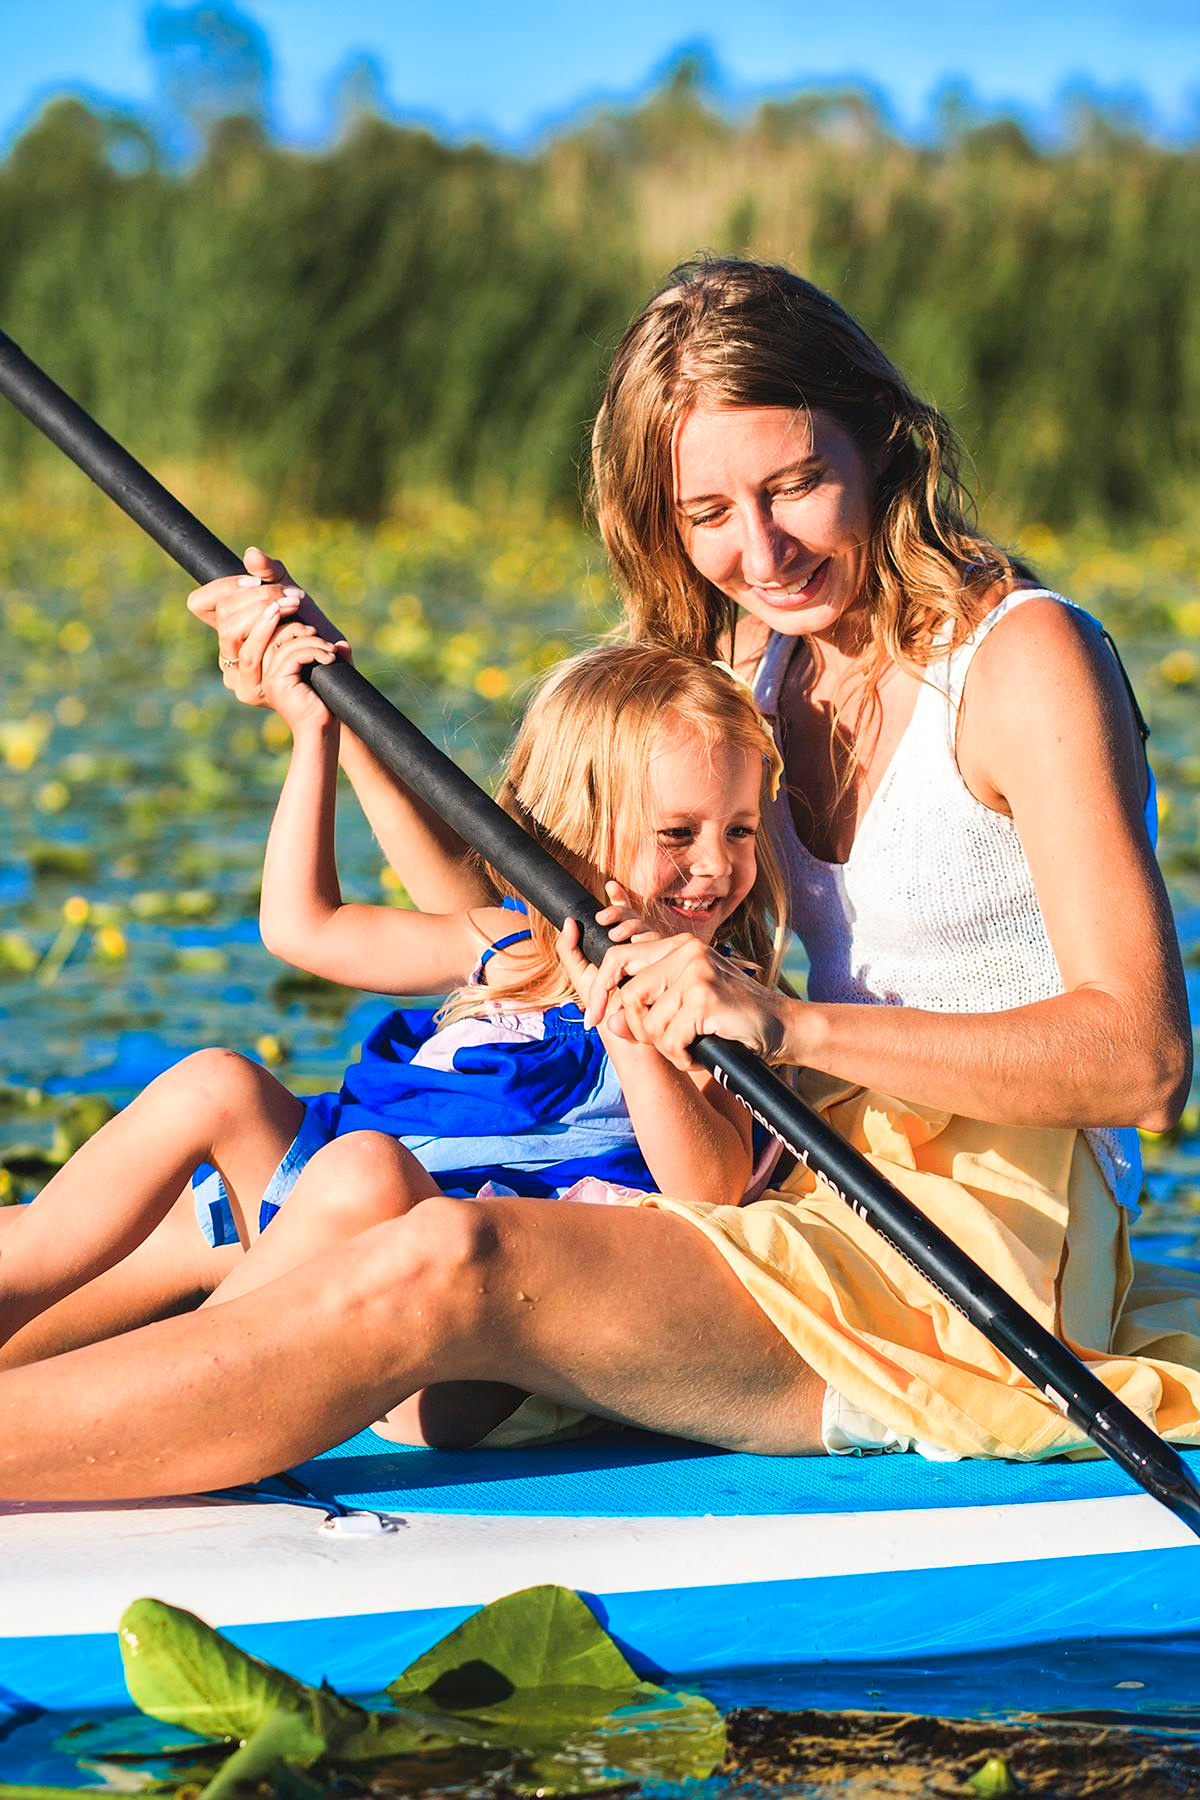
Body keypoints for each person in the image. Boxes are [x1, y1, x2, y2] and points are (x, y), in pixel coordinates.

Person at [0, 255, 1195, 1501]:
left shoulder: (1023, 658)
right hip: (778, 1171)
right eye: (708, 514)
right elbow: (528, 915)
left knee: (450, 1254)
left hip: (968, 1246)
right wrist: (331, 706)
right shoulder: (759, 663)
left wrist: (788, 1023)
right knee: (239, 1198)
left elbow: (1142, 1063)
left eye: (796, 485)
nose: (762, 549)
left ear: (885, 448)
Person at [0, 638, 787, 1452]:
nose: (716, 867)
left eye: (738, 831)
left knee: (364, 1172)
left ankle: (168, 1397)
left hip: (454, 1341)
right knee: (217, 1083)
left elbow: (712, 1188)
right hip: (333, 1232)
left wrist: (628, 1025)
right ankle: (22, 1292)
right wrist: (314, 737)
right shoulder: (513, 945)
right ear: (577, 833)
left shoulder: (718, 1004)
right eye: (677, 834)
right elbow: (303, 926)